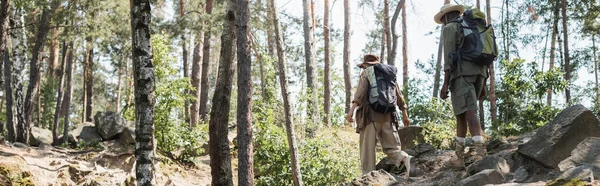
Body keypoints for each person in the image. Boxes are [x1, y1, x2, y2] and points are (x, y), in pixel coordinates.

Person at [435, 4, 489, 168]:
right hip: (480, 72)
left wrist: (445, 83)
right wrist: (485, 81)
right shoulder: (474, 26)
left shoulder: (450, 28)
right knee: (460, 113)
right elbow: (487, 55)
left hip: (462, 75)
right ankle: (458, 157)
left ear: (445, 17)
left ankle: (480, 154)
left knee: (470, 113)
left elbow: (449, 58)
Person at [346, 54, 415, 177]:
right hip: (389, 117)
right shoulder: (389, 75)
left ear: (366, 65)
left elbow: (360, 92)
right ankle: (405, 158)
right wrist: (405, 115)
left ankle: (368, 178)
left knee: (368, 152)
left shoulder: (367, 73)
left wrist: (351, 110)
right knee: (392, 148)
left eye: (364, 66)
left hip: (370, 118)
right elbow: (398, 95)